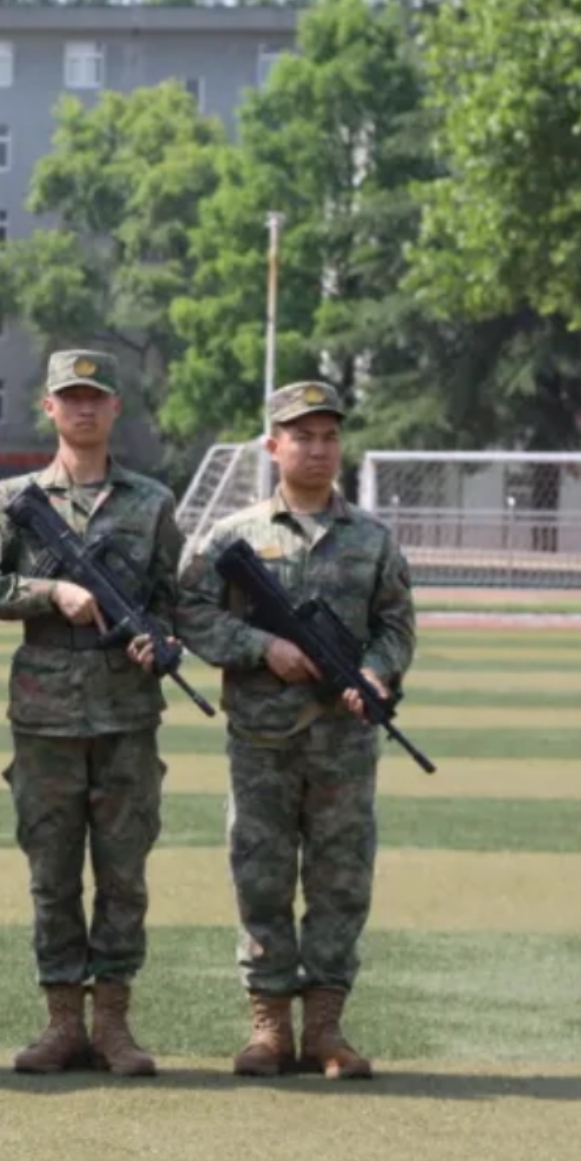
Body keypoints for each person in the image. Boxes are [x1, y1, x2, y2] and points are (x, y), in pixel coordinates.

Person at [0, 348, 185, 1078]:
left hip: (126, 715)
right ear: (48, 408)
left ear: (115, 408)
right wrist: (48, 593)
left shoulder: (151, 503)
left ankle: (112, 1024)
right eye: (70, 397)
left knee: (123, 875)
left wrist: (160, 639)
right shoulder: (16, 498)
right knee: (51, 874)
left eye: (96, 396)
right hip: (45, 714)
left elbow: (179, 601)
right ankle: (61, 1022)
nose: (83, 408)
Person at [176, 380, 416, 1080]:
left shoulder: (372, 539)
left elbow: (396, 626)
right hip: (263, 739)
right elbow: (191, 613)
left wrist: (376, 672)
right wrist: (262, 648)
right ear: (272, 446)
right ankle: (269, 1026)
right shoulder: (233, 536)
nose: (318, 449)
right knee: (261, 876)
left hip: (344, 739)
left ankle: (326, 1030)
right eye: (302, 436)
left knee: (342, 879)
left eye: (329, 436)